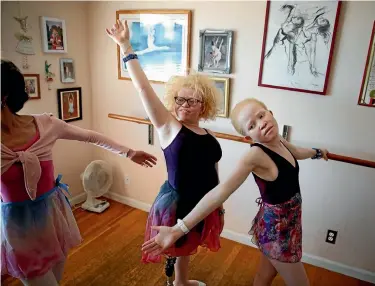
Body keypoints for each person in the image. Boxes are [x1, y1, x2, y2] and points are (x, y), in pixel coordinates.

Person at [1, 60, 157, 286]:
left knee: (56, 279)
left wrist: (129, 152)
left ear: (3, 96)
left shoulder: (45, 125)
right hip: (18, 229)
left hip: (53, 216)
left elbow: (90, 136)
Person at [142, 98, 329, 286]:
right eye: (252, 125)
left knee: (265, 276)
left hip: (289, 224)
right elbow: (221, 192)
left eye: (262, 115)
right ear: (248, 137)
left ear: (270, 112)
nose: (262, 124)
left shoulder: (279, 141)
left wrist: (318, 153)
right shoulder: (255, 155)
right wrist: (178, 229)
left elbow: (297, 152)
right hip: (277, 231)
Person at [106, 20, 225, 286]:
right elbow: (143, 88)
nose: (183, 105)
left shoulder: (209, 136)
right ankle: (178, 283)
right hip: (178, 203)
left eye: (191, 101)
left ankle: (180, 282)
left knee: (187, 247)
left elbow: (213, 169)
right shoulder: (169, 127)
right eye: (179, 99)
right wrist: (126, 46)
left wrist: (217, 201)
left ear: (203, 105)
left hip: (203, 202)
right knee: (180, 245)